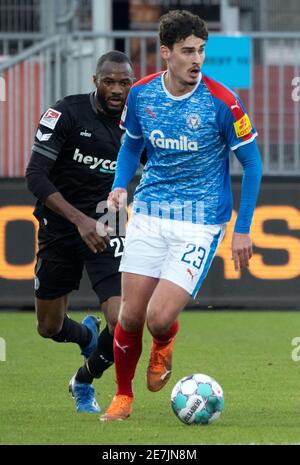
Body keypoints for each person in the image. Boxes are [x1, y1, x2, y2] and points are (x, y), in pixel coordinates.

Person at [100, 10, 263, 422]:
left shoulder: (223, 102)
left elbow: (254, 164)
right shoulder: (141, 95)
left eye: (202, 51)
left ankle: (164, 343)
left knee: (158, 317)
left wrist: (242, 229)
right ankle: (123, 397)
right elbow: (131, 146)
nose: (197, 59)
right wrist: (120, 184)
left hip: (200, 222)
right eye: (188, 51)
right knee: (129, 315)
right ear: (166, 53)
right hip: (150, 214)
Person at [25, 51, 136, 413]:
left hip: (108, 220)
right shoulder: (66, 113)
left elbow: (157, 169)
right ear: (95, 81)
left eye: (124, 82)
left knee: (123, 319)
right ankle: (87, 336)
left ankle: (84, 380)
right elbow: (35, 175)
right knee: (48, 326)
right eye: (110, 81)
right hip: (60, 222)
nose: (117, 89)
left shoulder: (136, 125)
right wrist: (79, 220)